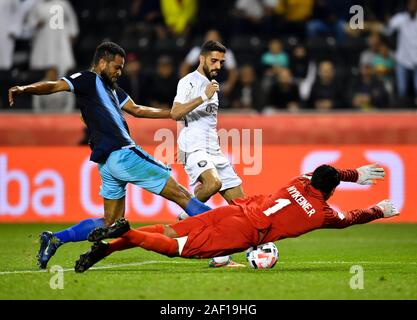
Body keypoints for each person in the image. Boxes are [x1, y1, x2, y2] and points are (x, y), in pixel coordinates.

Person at [8, 41, 212, 269]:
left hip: (107, 163)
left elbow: (137, 109)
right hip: (123, 153)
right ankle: (223, 231)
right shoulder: (86, 79)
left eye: (122, 68)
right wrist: (25, 89)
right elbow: (55, 86)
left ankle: (56, 238)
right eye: (116, 67)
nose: (119, 72)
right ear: (102, 62)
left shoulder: (113, 89)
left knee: (111, 221)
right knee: (182, 194)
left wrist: (172, 113)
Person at [74, 163, 399, 273]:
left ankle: (108, 247)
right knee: (175, 248)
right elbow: (350, 217)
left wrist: (353, 174)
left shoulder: (299, 180)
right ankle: (127, 232)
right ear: (330, 190)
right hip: (244, 231)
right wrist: (379, 211)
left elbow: (326, 173)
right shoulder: (322, 213)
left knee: (172, 229)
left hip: (234, 210)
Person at [171, 40, 245, 267]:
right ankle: (185, 216)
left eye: (221, 62)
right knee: (213, 184)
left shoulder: (212, 86)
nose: (218, 65)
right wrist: (203, 96)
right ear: (201, 58)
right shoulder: (189, 82)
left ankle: (222, 258)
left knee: (242, 207)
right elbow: (175, 113)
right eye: (214, 60)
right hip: (194, 147)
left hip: (214, 149)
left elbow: (203, 121)